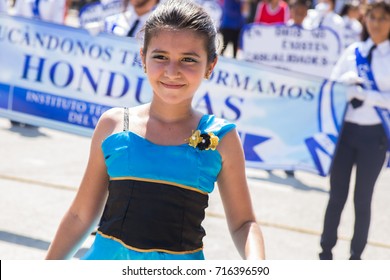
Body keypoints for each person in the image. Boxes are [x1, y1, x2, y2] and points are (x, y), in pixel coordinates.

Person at [45, 0, 266, 260]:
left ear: (211, 65)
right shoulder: (114, 125)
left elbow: (243, 223)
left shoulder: (221, 137)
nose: (172, 71)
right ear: (143, 57)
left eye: (188, 59)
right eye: (161, 56)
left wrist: (257, 266)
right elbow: (79, 215)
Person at [319, 0, 390, 260]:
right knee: (336, 194)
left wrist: (368, 96)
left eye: (383, 18)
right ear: (365, 19)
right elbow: (333, 84)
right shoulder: (353, 51)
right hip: (346, 133)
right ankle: (325, 250)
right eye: (373, 17)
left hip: (375, 136)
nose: (377, 23)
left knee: (362, 199)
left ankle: (355, 257)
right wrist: (346, 84)